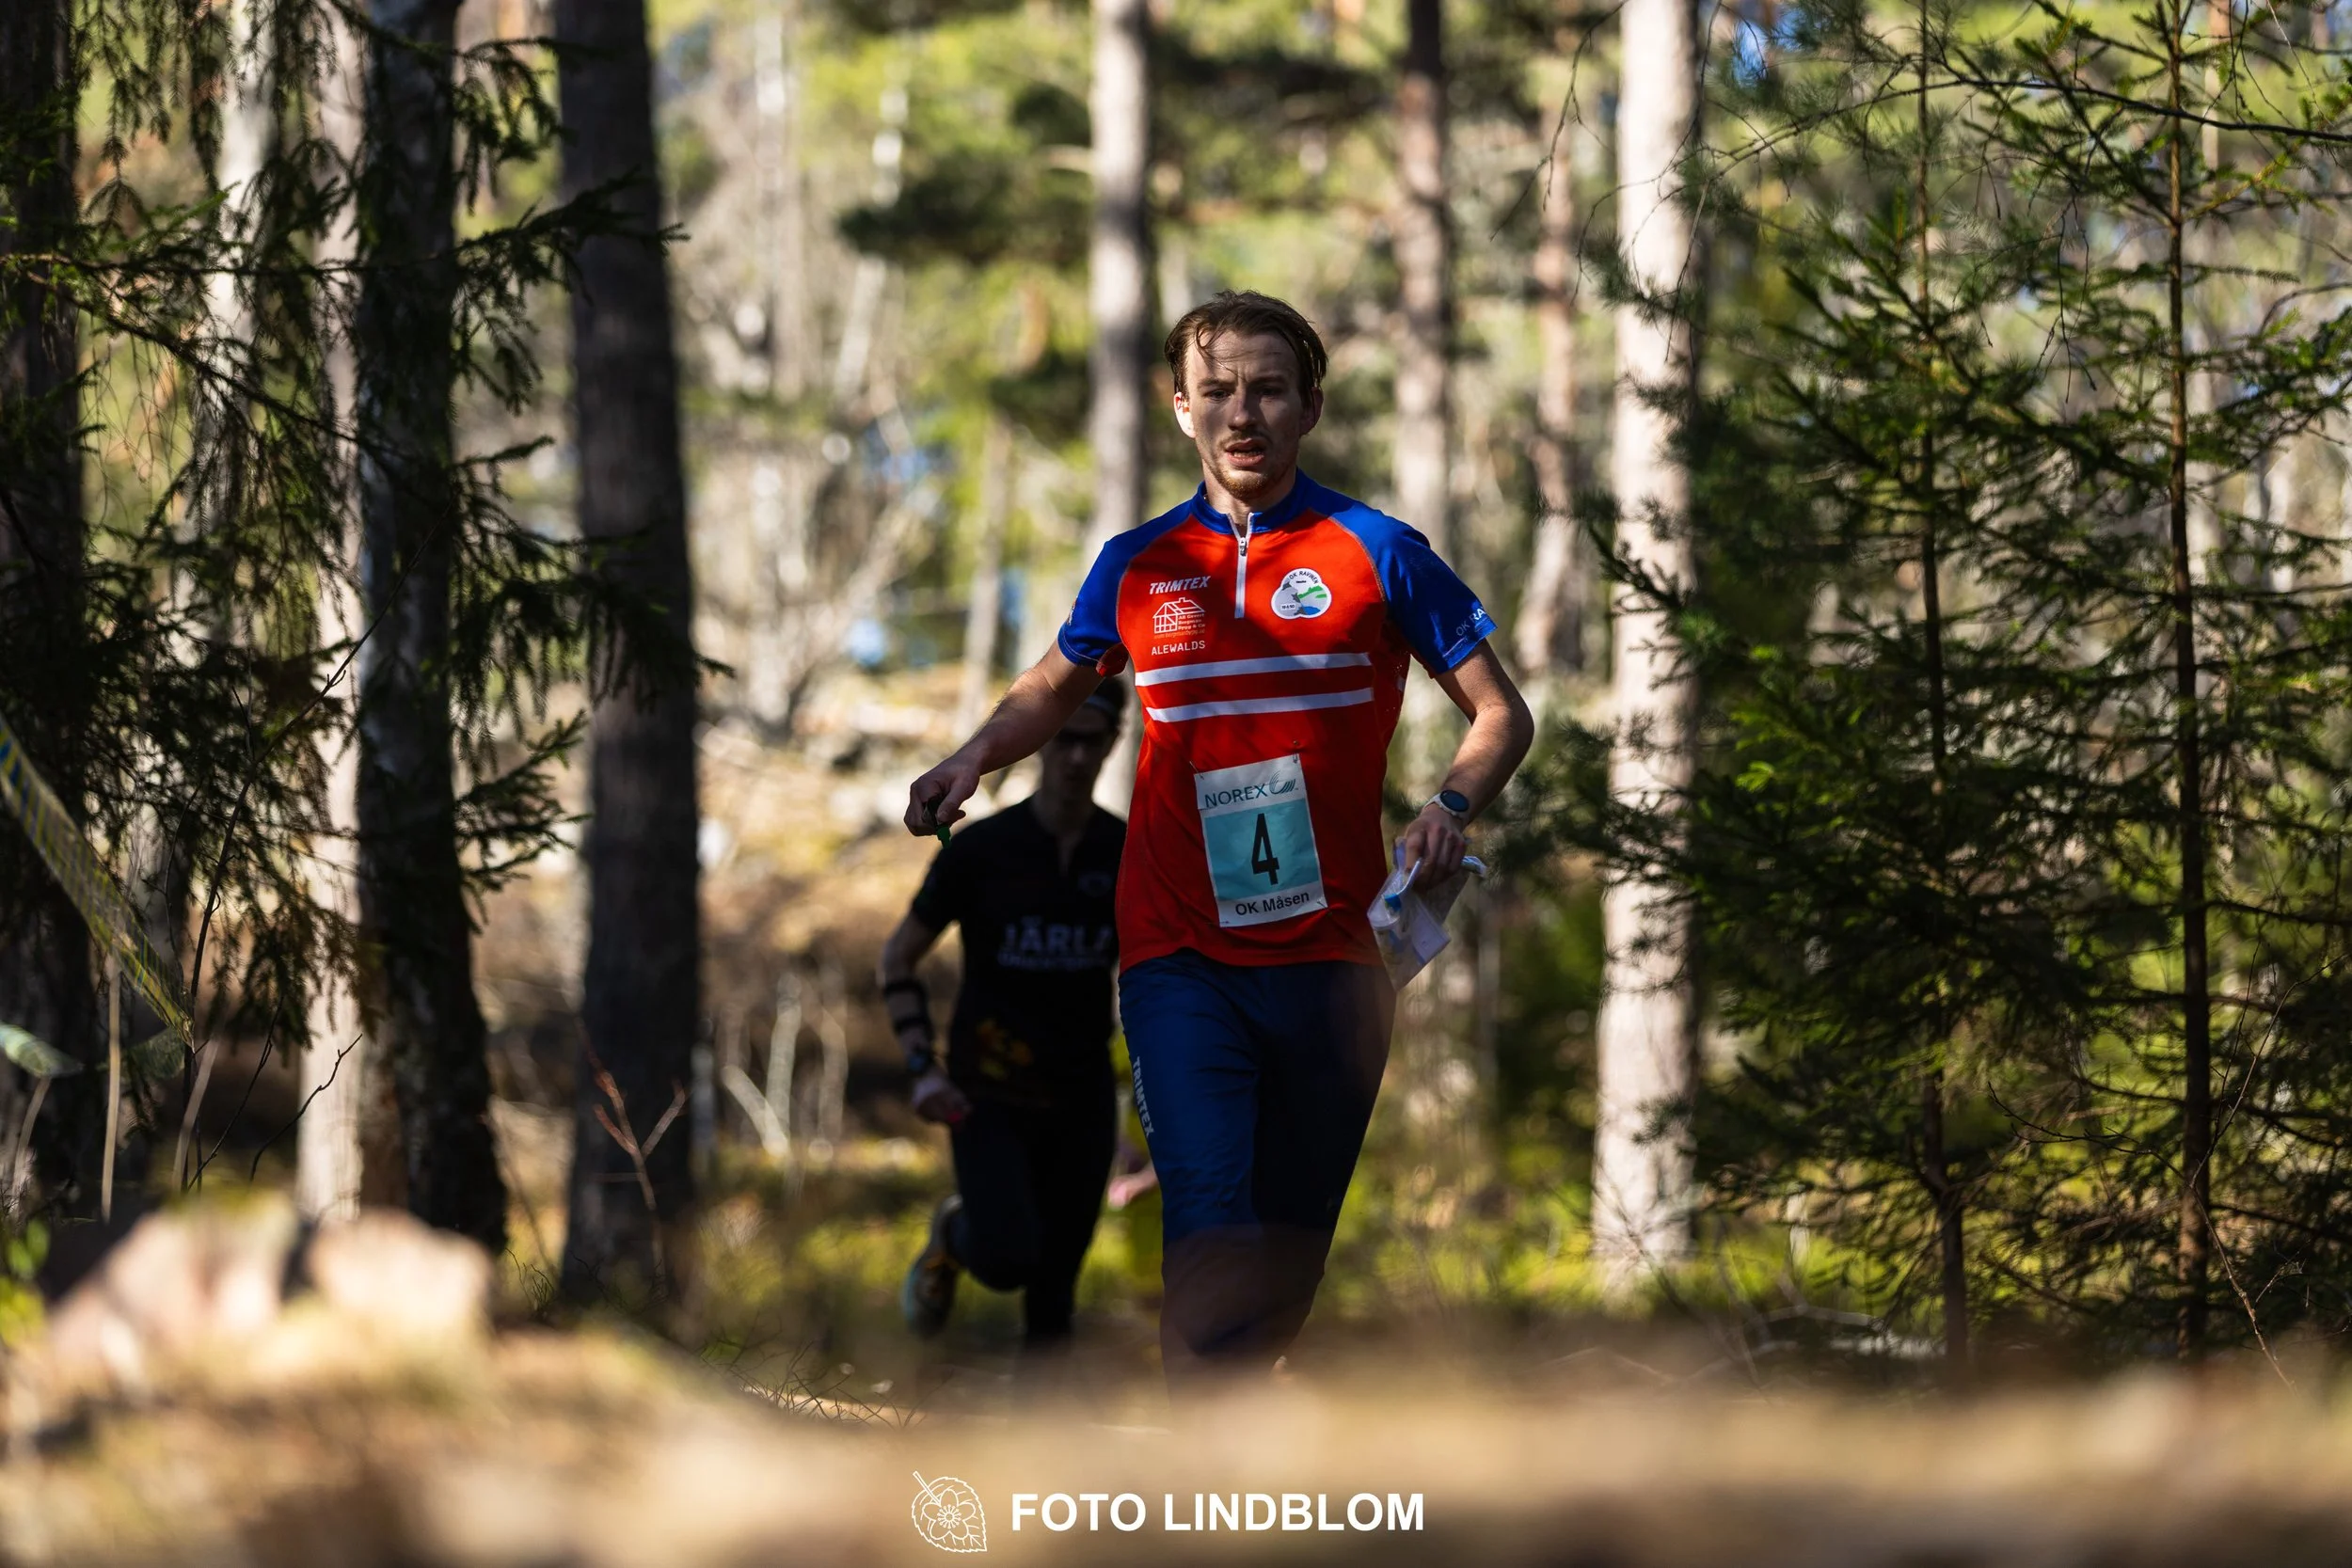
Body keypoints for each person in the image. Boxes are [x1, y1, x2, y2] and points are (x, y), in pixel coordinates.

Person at [903, 290, 1533, 1385]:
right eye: (1220, 391)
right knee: (1207, 1209)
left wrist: (1450, 807)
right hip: (1178, 952)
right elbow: (1054, 684)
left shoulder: (1377, 551)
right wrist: (973, 758)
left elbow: (1500, 711)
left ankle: (1234, 1404)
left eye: (1269, 390)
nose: (1243, 413)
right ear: (1181, 407)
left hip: (1338, 962)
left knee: (1286, 1253)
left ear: (1310, 407)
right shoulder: (1139, 563)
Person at [882, 679, 1136, 1347]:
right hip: (986, 1093)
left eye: (1094, 740)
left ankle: (1041, 1444)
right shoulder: (983, 851)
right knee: (1005, 1258)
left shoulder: (1127, 853)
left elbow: (1155, 976)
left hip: (1081, 1098)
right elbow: (897, 960)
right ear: (1045, 741)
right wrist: (922, 1070)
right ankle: (953, 1235)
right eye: (1066, 738)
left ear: (1115, 742)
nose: (1077, 757)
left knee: (1054, 1303)